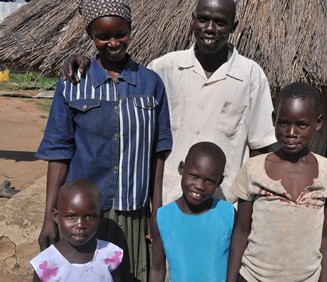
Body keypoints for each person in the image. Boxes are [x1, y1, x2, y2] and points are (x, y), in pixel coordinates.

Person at [61, 0, 276, 207]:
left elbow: (260, 147)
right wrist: (87, 61)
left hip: (224, 204)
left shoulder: (251, 76)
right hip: (166, 200)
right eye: (203, 19)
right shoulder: (162, 70)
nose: (210, 28)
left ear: (234, 26)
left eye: (220, 22)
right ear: (193, 20)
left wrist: (247, 205)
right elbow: (118, 82)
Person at [36, 1, 172, 281]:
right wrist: (49, 216)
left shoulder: (151, 83)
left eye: (120, 33)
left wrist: (155, 211)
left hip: (132, 212)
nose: (113, 43)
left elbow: (158, 152)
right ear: (90, 36)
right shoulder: (73, 83)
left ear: (130, 30)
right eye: (103, 37)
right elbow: (59, 151)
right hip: (82, 217)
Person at [227, 82, 327, 282]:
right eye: (283, 122)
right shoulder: (253, 169)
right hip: (253, 277)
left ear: (318, 123)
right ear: (274, 119)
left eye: (302, 125)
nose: (291, 132)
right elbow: (242, 230)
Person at [150, 142, 235, 282]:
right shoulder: (163, 218)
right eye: (195, 176)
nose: (199, 186)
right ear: (181, 168)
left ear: (219, 182)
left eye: (209, 181)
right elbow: (157, 269)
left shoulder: (228, 214)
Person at [30, 179, 123, 282]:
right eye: (71, 216)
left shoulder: (110, 254)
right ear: (56, 216)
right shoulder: (45, 263)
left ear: (100, 217)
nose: (80, 225)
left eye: (89, 216)